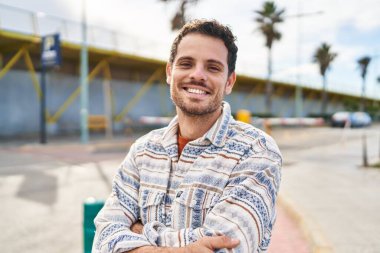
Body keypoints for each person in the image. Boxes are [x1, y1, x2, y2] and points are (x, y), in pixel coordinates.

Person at [92, 19, 282, 253]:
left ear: (229, 81)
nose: (197, 75)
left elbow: (228, 248)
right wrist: (187, 249)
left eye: (213, 67)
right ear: (170, 72)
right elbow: (103, 239)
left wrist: (141, 232)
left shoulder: (256, 150)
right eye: (186, 63)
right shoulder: (142, 151)